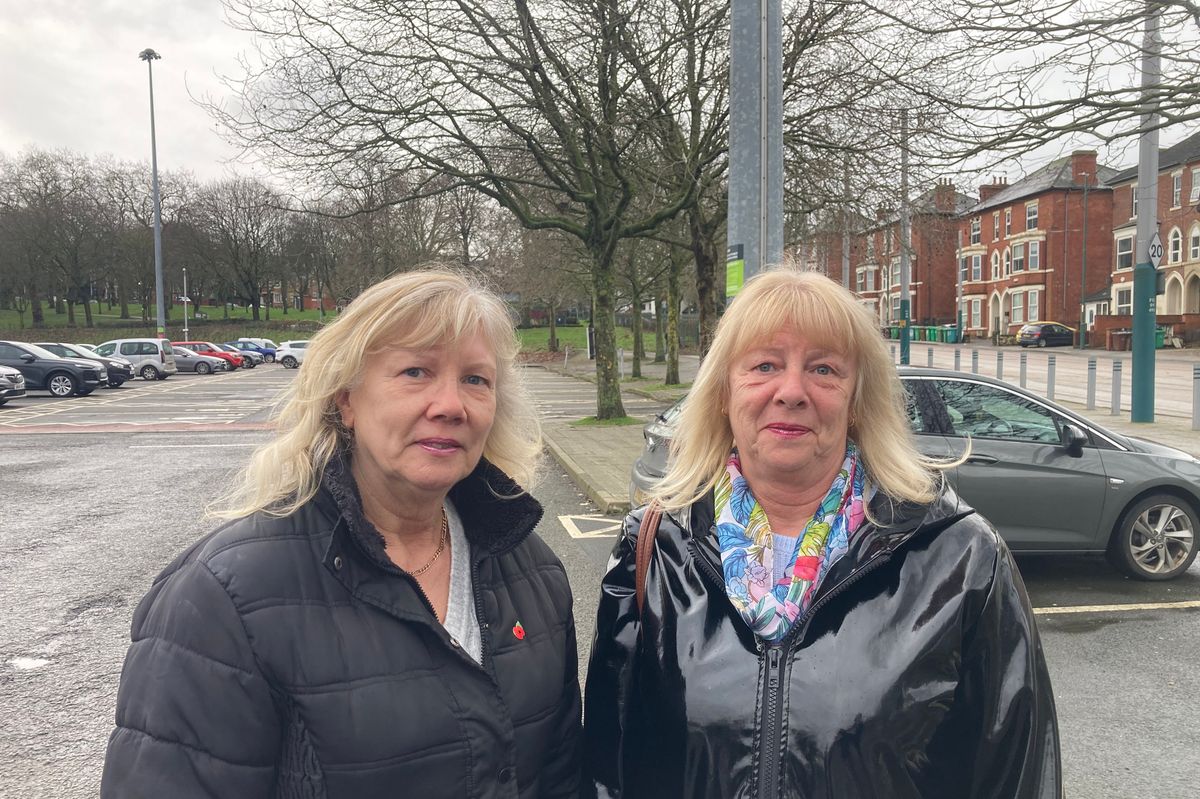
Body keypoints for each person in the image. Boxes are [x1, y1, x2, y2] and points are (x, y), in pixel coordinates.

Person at [102, 269, 581, 798]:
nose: (451, 406)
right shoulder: (222, 597)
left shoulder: (532, 567)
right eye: (416, 371)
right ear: (346, 400)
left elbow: (560, 774)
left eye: (476, 380)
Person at [583, 268, 1060, 798]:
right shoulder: (653, 549)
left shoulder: (962, 557)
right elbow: (609, 768)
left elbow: (1014, 773)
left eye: (824, 369)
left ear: (856, 400)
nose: (792, 391)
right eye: (764, 365)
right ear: (723, 393)